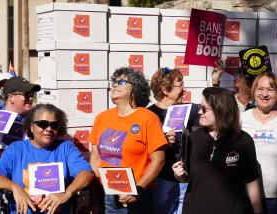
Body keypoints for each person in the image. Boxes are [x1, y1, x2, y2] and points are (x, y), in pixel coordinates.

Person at [0, 103, 94, 214]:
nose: (48, 129)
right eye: (43, 124)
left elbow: (87, 173)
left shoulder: (65, 148)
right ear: (31, 127)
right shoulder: (16, 149)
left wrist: (67, 193)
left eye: (54, 125)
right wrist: (14, 187)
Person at [89, 67, 168, 213]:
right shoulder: (102, 117)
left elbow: (159, 160)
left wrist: (138, 189)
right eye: (114, 81)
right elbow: (95, 157)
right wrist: (95, 196)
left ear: (135, 88)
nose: (115, 84)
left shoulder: (148, 118)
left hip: (134, 197)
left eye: (121, 81)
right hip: (105, 195)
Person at [173, 87, 263, 214]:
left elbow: (251, 180)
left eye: (204, 109)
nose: (199, 112)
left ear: (221, 110)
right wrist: (180, 175)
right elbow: (187, 178)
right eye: (200, 107)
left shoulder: (243, 140)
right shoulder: (192, 138)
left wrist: (258, 211)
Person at [0, 76, 41, 214]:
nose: (30, 98)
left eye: (32, 94)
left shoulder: (36, 120)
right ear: (11, 97)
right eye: (26, 94)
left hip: (25, 193)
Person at [240, 71, 277, 214]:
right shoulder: (240, 119)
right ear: (254, 91)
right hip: (246, 198)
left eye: (270, 90)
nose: (265, 94)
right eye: (260, 89)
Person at [148, 67, 199, 214]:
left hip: (187, 179)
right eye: (180, 84)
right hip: (162, 180)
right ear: (165, 89)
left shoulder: (193, 109)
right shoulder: (149, 114)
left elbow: (217, 107)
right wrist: (161, 141)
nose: (184, 89)